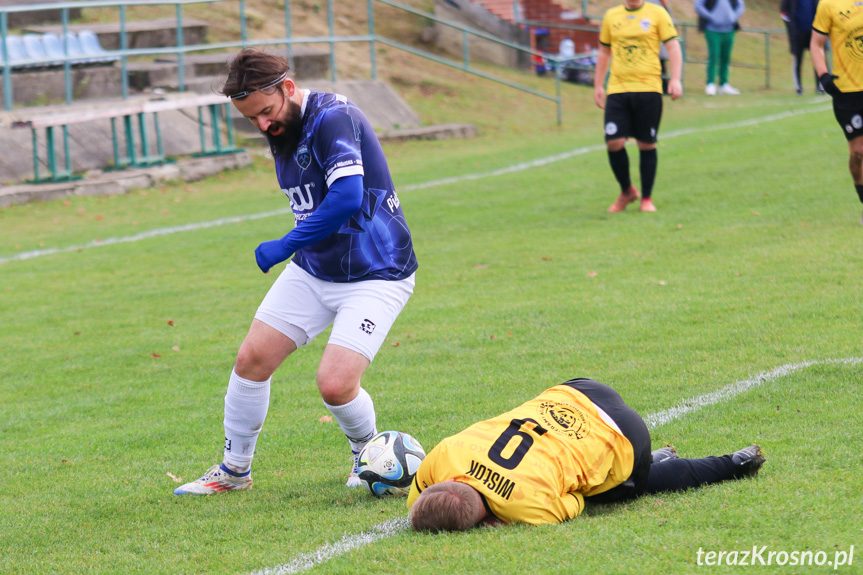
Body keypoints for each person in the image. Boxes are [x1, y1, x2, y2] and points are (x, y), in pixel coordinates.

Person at [173, 48, 419, 495]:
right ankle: (234, 471)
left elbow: (346, 198)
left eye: (266, 112)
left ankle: (370, 456)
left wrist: (285, 244)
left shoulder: (333, 117)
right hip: (315, 270)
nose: (263, 125)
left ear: (288, 88)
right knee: (251, 361)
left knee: (335, 383)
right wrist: (299, 248)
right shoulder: (279, 122)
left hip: (377, 271)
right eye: (251, 119)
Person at [407, 378, 766, 530]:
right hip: (576, 390)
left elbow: (578, 501)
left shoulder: (523, 508)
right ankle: (656, 460)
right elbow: (419, 501)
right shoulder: (442, 457)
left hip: (625, 434)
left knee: (606, 494)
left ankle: (730, 465)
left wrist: (500, 513)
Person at [594, 0, 683, 213]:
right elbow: (604, 52)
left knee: (646, 144)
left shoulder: (658, 13)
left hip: (649, 89)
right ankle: (627, 191)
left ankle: (647, 198)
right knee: (614, 142)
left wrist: (676, 79)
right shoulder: (611, 16)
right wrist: (598, 84)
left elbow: (672, 46)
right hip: (617, 89)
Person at [811, 0, 863, 225]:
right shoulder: (828, 4)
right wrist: (823, 75)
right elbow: (816, 44)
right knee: (859, 152)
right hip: (847, 92)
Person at [695, 0, 745, 95]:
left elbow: (741, 6)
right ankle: (710, 83)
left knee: (725, 57)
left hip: (729, 29)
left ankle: (723, 84)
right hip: (712, 29)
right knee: (713, 55)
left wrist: (733, 17)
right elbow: (698, 6)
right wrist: (711, 16)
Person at [781, 0, 823, 95]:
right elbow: (783, 12)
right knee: (798, 59)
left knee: (817, 59)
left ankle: (820, 86)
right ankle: (798, 87)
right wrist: (791, 26)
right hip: (798, 33)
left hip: (814, 33)